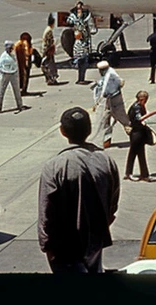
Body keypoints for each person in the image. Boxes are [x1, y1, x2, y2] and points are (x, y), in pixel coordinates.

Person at [37, 107, 121, 273]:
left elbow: (46, 212)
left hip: (64, 248)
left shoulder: (54, 167)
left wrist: (46, 245)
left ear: (62, 131)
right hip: (95, 243)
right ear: (89, 130)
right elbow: (113, 205)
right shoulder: (106, 161)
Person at [90, 61, 132, 148]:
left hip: (114, 102)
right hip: (107, 103)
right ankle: (106, 140)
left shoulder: (111, 76)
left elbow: (111, 88)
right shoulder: (106, 76)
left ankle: (134, 134)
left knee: (123, 119)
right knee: (105, 121)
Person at [125, 91, 156, 182]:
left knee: (138, 153)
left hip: (138, 132)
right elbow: (139, 118)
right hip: (137, 133)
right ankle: (136, 174)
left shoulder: (138, 106)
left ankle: (139, 173)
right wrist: (150, 114)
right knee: (136, 153)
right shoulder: (137, 107)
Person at [0, 40, 25, 114]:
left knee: (17, 90)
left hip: (13, 73)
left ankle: (20, 105)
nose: (11, 50)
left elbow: (15, 64)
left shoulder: (13, 55)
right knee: (1, 90)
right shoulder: (3, 56)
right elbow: (0, 66)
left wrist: (17, 73)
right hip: (5, 74)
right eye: (10, 48)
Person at [13, 31, 34, 97]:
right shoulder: (24, 44)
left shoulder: (17, 44)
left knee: (20, 77)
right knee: (24, 76)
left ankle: (21, 90)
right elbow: (27, 53)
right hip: (23, 63)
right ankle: (23, 90)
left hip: (19, 63)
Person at [41, 15, 60, 86]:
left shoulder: (47, 29)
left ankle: (49, 79)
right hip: (48, 50)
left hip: (46, 50)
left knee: (47, 65)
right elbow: (49, 42)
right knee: (50, 65)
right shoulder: (49, 31)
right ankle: (51, 79)